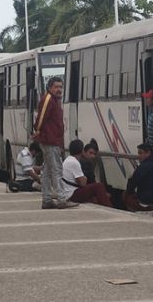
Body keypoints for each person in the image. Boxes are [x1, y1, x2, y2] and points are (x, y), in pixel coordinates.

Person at [33, 76, 78, 209]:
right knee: (57, 170)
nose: (59, 89)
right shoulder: (48, 99)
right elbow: (41, 118)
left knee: (47, 171)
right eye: (56, 87)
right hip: (50, 140)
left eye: (60, 87)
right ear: (50, 87)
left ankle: (47, 199)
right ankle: (61, 199)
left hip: (53, 140)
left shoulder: (54, 100)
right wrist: (37, 129)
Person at [62, 139, 112, 207]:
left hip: (67, 193)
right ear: (82, 151)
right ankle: (108, 206)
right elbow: (83, 183)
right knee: (98, 186)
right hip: (72, 194)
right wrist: (84, 178)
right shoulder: (74, 163)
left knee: (94, 196)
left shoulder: (67, 160)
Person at [123, 143, 153, 212]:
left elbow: (132, 183)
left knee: (125, 195)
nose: (139, 156)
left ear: (148, 153)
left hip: (146, 202)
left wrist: (129, 192)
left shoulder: (144, 166)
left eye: (140, 153)